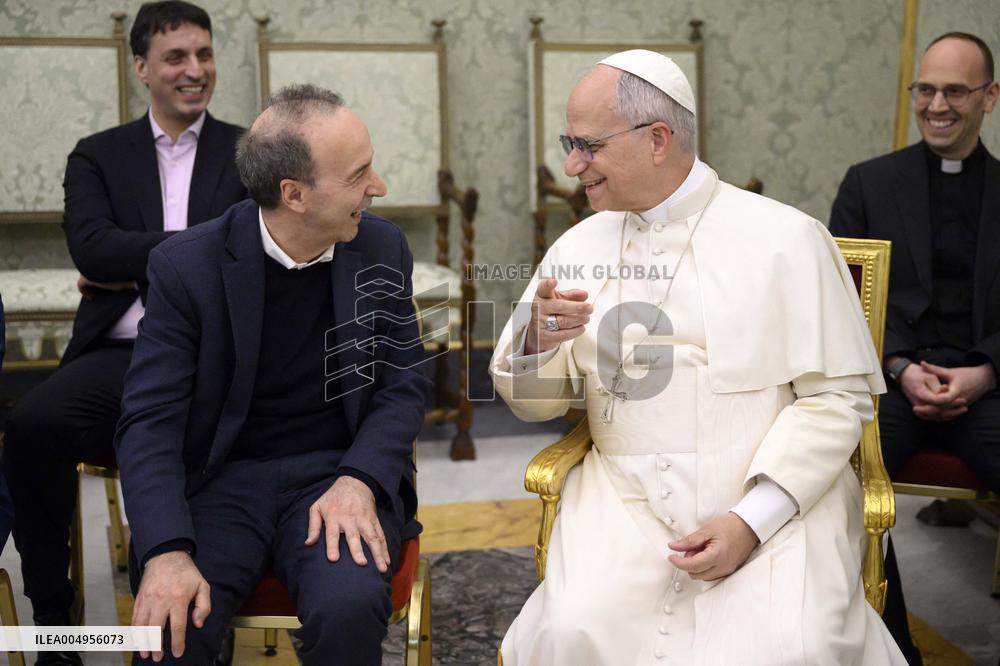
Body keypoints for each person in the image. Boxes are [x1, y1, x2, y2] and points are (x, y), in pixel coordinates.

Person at [491, 49, 905, 665]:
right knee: (569, 634)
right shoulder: (576, 244)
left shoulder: (787, 239)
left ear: (657, 139)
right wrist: (536, 342)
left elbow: (835, 398)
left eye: (588, 145)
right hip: (621, 507)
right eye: (568, 143)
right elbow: (534, 405)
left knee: (795, 648)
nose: (572, 165)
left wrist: (751, 520)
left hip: (773, 505)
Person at [115, 83, 429, 665]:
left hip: (334, 477)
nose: (378, 187)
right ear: (295, 194)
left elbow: (403, 382)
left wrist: (359, 479)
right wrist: (163, 550)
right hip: (221, 483)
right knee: (173, 628)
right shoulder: (188, 268)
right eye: (359, 174)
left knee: (348, 611)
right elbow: (149, 422)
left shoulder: (382, 248)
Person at [1, 2, 246, 663]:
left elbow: (251, 254)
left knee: (195, 441)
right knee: (30, 425)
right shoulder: (99, 157)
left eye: (204, 54)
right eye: (176, 58)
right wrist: (200, 248)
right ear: (142, 67)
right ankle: (55, 622)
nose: (195, 71)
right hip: (118, 352)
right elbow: (93, 252)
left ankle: (173, 627)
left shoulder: (248, 152)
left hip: (213, 360)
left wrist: (136, 257)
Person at [829, 32, 999, 665]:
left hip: (988, 387)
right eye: (925, 89)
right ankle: (895, 649)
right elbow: (838, 299)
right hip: (891, 380)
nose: (937, 104)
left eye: (955, 90)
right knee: (837, 480)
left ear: (990, 96)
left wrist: (985, 371)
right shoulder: (869, 184)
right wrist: (900, 366)